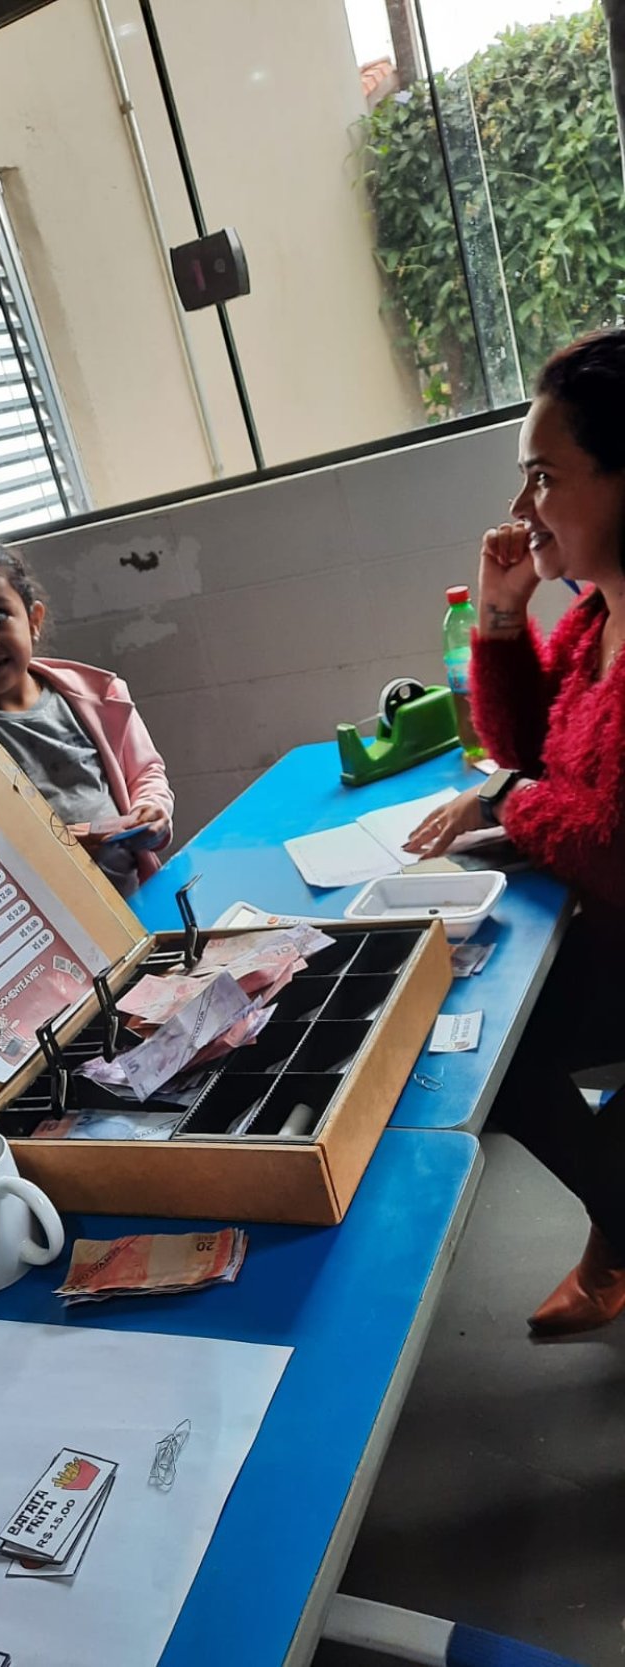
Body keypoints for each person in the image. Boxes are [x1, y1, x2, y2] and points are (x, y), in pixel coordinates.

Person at [404, 328, 625, 1336]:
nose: (520, 505)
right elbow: (525, 743)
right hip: (604, 918)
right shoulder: (596, 615)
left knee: (485, 1050)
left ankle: (621, 1232)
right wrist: (501, 615)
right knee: (475, 1025)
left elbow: (609, 840)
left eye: (544, 476)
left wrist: (506, 804)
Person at [0, 538, 174, 899]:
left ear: (33, 620)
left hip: (136, 899)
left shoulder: (100, 696)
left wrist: (151, 810)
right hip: (38, 930)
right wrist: (66, 847)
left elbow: (145, 773)